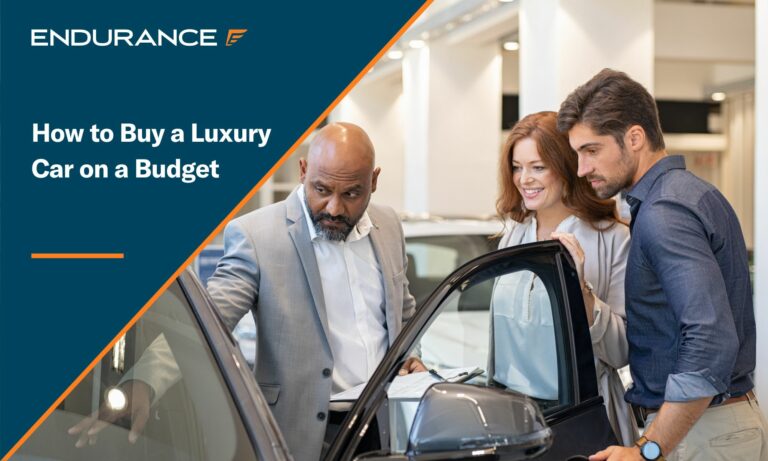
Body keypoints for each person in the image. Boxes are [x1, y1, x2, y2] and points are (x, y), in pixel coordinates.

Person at [69, 122, 424, 461]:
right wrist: (144, 382)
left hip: (380, 425)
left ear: (373, 181)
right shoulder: (257, 235)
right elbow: (211, 320)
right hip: (302, 433)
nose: (334, 207)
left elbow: (402, 311)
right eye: (321, 190)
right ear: (303, 171)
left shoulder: (388, 225)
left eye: (351, 193)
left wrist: (411, 358)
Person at [557, 68, 767, 461]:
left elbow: (710, 338)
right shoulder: (690, 194)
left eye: (591, 151)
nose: (582, 169)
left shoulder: (664, 212)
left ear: (634, 138)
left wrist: (648, 450)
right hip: (709, 428)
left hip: (701, 435)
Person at [493, 111, 637, 446]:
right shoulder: (513, 238)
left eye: (538, 167)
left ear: (567, 167)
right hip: (517, 422)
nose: (524, 178)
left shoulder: (613, 239)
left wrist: (582, 291)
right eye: (517, 166)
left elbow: (621, 352)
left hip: (584, 418)